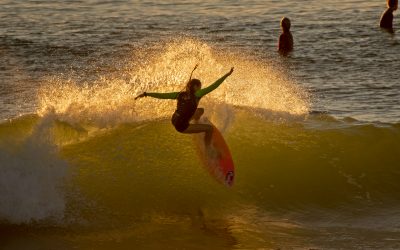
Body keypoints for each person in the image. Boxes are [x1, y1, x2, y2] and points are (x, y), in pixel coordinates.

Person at [135, 65, 234, 143]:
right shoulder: (198, 94)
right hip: (182, 126)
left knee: (200, 110)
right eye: (200, 86)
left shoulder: (179, 94)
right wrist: (227, 75)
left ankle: (196, 124)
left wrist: (146, 94)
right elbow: (214, 85)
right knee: (209, 129)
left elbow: (162, 95)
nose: (201, 88)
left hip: (174, 120)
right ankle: (208, 149)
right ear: (196, 87)